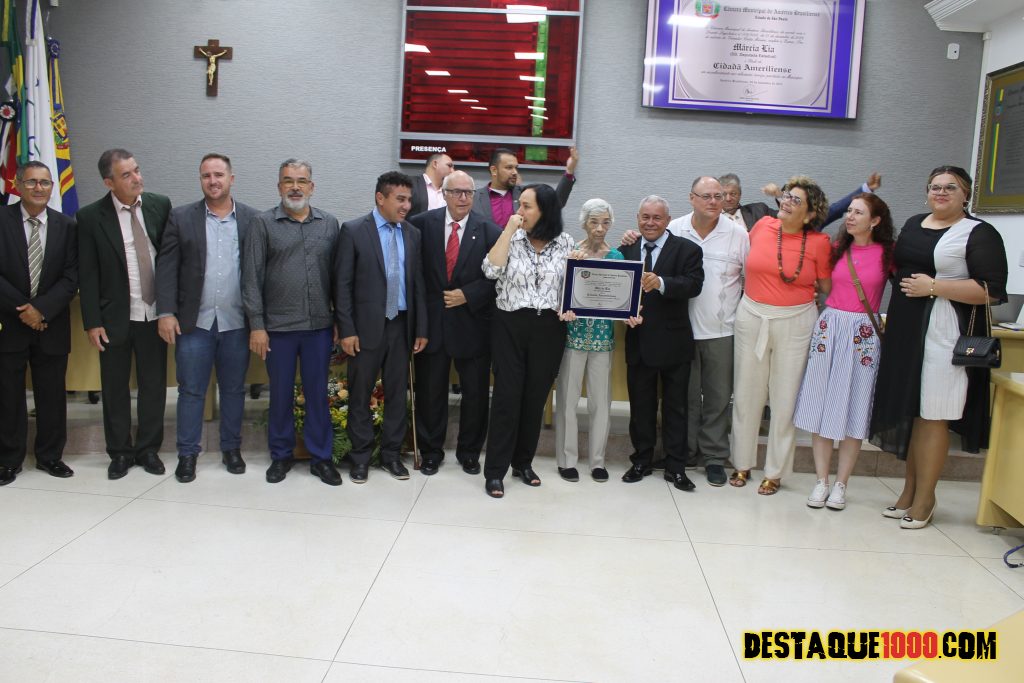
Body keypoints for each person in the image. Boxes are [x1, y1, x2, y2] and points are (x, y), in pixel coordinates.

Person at [871, 166, 1007, 529]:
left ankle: (926, 499)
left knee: (934, 414)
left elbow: (991, 291)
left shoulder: (978, 233)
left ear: (966, 194)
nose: (941, 192)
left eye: (950, 187)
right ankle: (909, 492)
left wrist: (934, 287)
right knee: (915, 413)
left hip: (944, 330)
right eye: (935, 187)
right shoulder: (914, 224)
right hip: (907, 328)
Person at [156, 153, 260, 483]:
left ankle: (231, 449)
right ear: (200, 180)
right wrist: (166, 312)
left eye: (218, 175)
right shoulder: (180, 217)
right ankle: (187, 454)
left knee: (233, 390)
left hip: (236, 323)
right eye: (206, 176)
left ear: (231, 179)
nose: (213, 181)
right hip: (194, 324)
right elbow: (167, 268)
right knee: (191, 391)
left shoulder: (252, 219)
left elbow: (259, 272)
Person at [729, 176, 832, 495]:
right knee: (746, 394)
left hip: (796, 322)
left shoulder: (820, 243)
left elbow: (826, 287)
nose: (786, 201)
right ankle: (742, 463)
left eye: (796, 200)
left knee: (785, 399)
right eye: (786, 196)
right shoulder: (762, 226)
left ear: (811, 214)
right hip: (751, 315)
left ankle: (774, 472)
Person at [242, 159, 342, 486]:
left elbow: (338, 278)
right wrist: (257, 325)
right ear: (279, 187)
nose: (295, 187)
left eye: (301, 181)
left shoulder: (329, 224)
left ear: (312, 186)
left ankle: (321, 458)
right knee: (281, 395)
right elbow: (251, 279)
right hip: (278, 329)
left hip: (319, 327)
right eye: (288, 181)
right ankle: (281, 455)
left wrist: (340, 320)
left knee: (318, 395)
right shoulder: (262, 224)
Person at [794, 194, 895, 510]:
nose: (850, 217)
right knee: (821, 403)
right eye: (849, 211)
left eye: (858, 212)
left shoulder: (888, 254)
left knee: (856, 404)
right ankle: (821, 480)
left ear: (875, 220)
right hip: (831, 327)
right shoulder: (836, 249)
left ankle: (841, 484)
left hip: (863, 331)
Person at [77, 149, 171, 480]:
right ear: (109, 182)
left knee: (153, 385)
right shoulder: (90, 217)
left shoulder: (160, 205)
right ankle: (119, 452)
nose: (137, 179)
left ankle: (148, 449)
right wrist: (92, 322)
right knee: (115, 387)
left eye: (137, 170)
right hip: (115, 316)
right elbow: (87, 273)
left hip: (154, 314)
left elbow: (169, 258)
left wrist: (170, 309)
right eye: (126, 175)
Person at [481, 184, 575, 498]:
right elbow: (491, 270)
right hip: (510, 324)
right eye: (519, 204)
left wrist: (571, 305)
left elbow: (572, 287)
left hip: (549, 328)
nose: (518, 211)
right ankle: (495, 471)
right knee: (507, 398)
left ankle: (523, 464)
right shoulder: (510, 237)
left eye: (526, 206)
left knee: (535, 399)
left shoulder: (565, 242)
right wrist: (509, 231)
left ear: (545, 211)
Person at [335, 172, 428, 484]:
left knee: (397, 395)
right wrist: (346, 329)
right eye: (400, 199)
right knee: (360, 394)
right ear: (380, 198)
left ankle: (391, 456)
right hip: (364, 330)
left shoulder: (412, 234)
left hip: (401, 326)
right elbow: (342, 285)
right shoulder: (353, 231)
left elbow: (418, 285)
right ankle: (360, 457)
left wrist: (421, 328)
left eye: (409, 200)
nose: (406, 206)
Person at [407, 170, 501, 476]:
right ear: (444, 194)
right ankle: (431, 451)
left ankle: (469, 452)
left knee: (475, 394)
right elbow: (414, 274)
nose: (463, 198)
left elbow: (499, 278)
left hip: (473, 324)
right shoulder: (421, 224)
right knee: (430, 392)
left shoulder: (490, 230)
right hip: (432, 325)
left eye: (468, 193)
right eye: (456, 192)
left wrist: (468, 295)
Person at [619, 195, 705, 491]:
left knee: (675, 408)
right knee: (640, 407)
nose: (650, 223)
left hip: (674, 342)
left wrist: (662, 283)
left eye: (657, 217)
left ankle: (676, 466)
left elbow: (694, 285)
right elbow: (616, 290)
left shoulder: (688, 249)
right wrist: (623, 315)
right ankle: (641, 461)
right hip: (639, 341)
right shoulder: (626, 249)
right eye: (645, 217)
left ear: (668, 220)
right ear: (638, 218)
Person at [0, 162, 78, 485]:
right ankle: (8, 460)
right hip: (9, 322)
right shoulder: (2, 220)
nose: (38, 188)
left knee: (52, 395)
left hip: (51, 323)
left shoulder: (67, 226)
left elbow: (72, 276)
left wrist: (41, 310)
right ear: (17, 185)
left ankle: (50, 456)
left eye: (45, 182)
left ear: (52, 188)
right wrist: (25, 310)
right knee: (8, 396)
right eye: (31, 182)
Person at [670, 177, 749, 486]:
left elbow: (750, 278)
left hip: (722, 330)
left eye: (719, 196)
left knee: (718, 398)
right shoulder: (675, 229)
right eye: (707, 196)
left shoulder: (738, 234)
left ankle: (714, 457)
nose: (715, 201)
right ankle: (686, 451)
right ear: (692, 198)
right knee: (685, 397)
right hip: (681, 330)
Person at [553, 198, 623, 483]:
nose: (600, 228)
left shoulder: (616, 256)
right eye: (594, 222)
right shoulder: (571, 253)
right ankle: (566, 459)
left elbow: (623, 297)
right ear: (584, 223)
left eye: (605, 222)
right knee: (567, 400)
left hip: (603, 338)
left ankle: (598, 461)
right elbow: (558, 292)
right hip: (573, 336)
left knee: (601, 401)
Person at [718, 172, 881, 231]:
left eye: (733, 193)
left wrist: (779, 194)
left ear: (740, 194)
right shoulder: (711, 219)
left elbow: (832, 211)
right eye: (724, 194)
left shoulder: (758, 212)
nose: (729, 198)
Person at [470, 147, 578, 226]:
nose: (515, 172)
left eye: (516, 168)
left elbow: (555, 203)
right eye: (509, 168)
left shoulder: (526, 194)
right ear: (494, 170)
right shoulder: (475, 198)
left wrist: (569, 171)